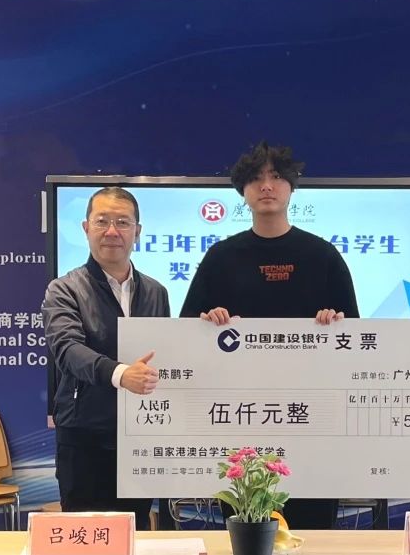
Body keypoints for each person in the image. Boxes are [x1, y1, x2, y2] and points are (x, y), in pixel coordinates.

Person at [180, 141, 359, 529]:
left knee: (313, 534)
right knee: (248, 532)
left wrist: (336, 323)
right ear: (242, 190)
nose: (266, 186)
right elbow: (185, 331)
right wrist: (206, 322)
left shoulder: (323, 256)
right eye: (256, 178)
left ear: (291, 187)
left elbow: (356, 337)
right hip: (241, 417)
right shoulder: (221, 257)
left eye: (276, 176)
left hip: (313, 418)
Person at [43, 186, 169, 529]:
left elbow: (166, 353)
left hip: (139, 436)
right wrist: (121, 374)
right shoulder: (64, 289)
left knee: (135, 530)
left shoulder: (157, 292)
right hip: (84, 437)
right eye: (102, 221)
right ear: (86, 228)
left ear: (137, 231)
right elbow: (67, 350)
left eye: (123, 222)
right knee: (85, 536)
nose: (112, 231)